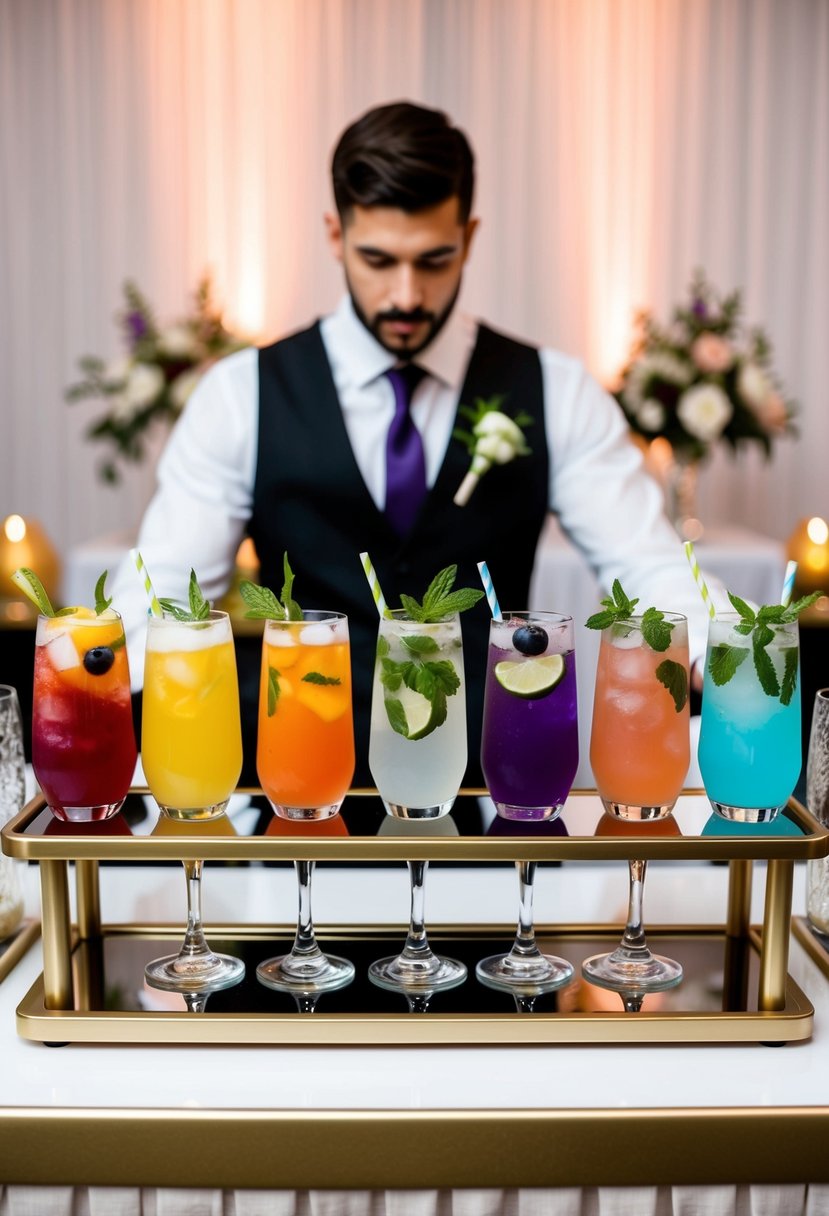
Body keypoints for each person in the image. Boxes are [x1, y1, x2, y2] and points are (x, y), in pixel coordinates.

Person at [112, 100, 721, 792]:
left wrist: (724, 654)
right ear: (334, 234)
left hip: (494, 795)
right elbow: (162, 593)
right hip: (296, 794)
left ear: (469, 235)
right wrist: (94, 669)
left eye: (435, 260)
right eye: (377, 259)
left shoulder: (555, 390)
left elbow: (647, 565)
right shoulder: (239, 395)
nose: (406, 296)